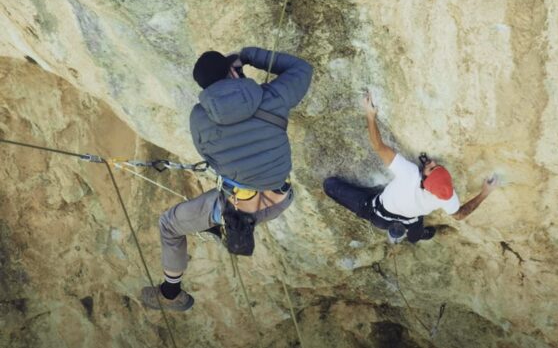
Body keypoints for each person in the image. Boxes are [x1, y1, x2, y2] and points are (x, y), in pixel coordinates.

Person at [141, 47, 313, 311]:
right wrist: (247, 55)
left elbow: (211, 159)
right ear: (233, 71)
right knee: (217, 201)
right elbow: (302, 69)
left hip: (239, 208)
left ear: (205, 88)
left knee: (170, 225)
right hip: (278, 199)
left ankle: (171, 294)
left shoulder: (199, 117)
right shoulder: (272, 97)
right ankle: (216, 229)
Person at [323, 90, 498, 244]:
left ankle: (417, 234)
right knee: (414, 237)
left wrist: (370, 116)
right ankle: (420, 235)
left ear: (423, 181)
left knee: (329, 185)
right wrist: (485, 193)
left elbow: (379, 147)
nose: (433, 163)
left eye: (431, 168)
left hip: (377, 213)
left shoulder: (410, 174)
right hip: (410, 221)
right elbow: (459, 215)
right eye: (437, 167)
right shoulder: (446, 197)